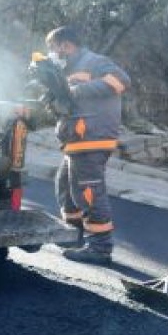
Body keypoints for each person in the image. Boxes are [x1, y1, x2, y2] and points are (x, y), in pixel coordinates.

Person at [44, 26, 131, 264]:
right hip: (77, 139)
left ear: (65, 45)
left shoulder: (94, 61)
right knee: (64, 183)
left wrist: (76, 91)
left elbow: (122, 81)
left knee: (89, 192)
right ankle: (75, 234)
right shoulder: (67, 69)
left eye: (53, 48)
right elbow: (70, 101)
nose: (51, 52)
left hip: (92, 137)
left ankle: (100, 248)